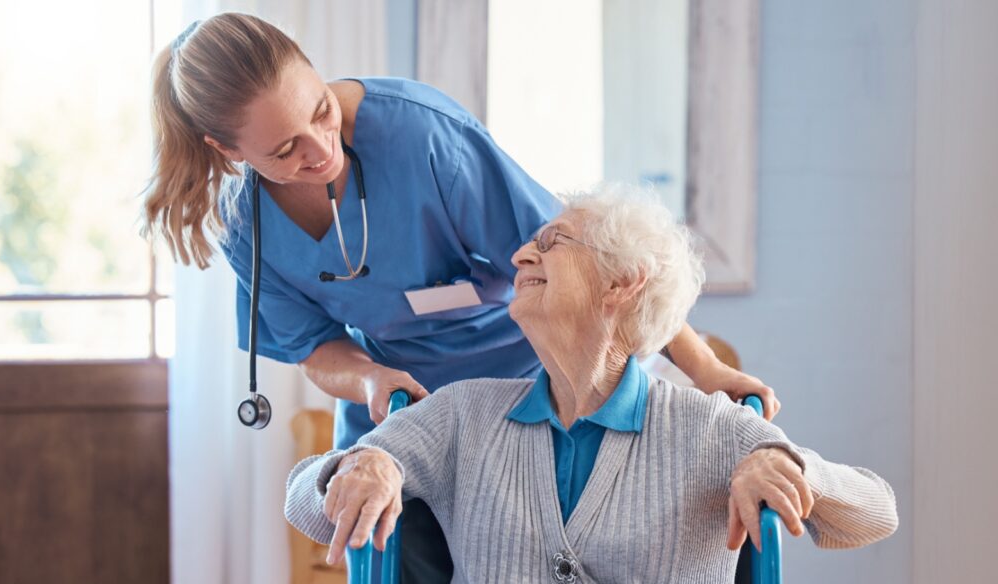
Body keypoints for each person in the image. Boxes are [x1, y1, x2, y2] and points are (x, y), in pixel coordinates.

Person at [284, 183, 899, 584]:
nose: (521, 255)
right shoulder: (462, 413)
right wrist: (362, 465)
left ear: (621, 283)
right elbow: (303, 501)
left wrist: (787, 467)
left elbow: (876, 511)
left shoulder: (711, 429)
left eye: (552, 243)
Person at [142, 12, 779, 453]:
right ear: (227, 152)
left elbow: (590, 261)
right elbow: (313, 346)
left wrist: (704, 369)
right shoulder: (243, 222)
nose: (321, 151)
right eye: (285, 150)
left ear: (314, 70)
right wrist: (367, 380)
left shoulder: (422, 137)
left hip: (535, 382)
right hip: (405, 407)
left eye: (322, 111)